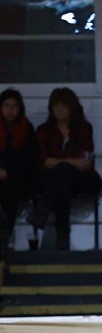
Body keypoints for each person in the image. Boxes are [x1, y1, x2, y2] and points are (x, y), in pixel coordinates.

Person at [31, 87, 102, 251]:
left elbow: (83, 162)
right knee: (61, 178)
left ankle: (43, 211)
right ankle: (63, 234)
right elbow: (44, 161)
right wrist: (70, 161)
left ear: (72, 107)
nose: (60, 110)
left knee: (62, 173)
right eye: (56, 105)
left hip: (79, 178)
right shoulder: (44, 130)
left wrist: (62, 162)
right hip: (51, 179)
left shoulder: (83, 128)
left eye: (64, 105)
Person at [0, 88, 37, 251]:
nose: (10, 110)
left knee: (10, 191)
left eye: (14, 106)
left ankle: (6, 236)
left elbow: (28, 159)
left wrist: (8, 172)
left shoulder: (26, 128)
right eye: (6, 105)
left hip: (18, 178)